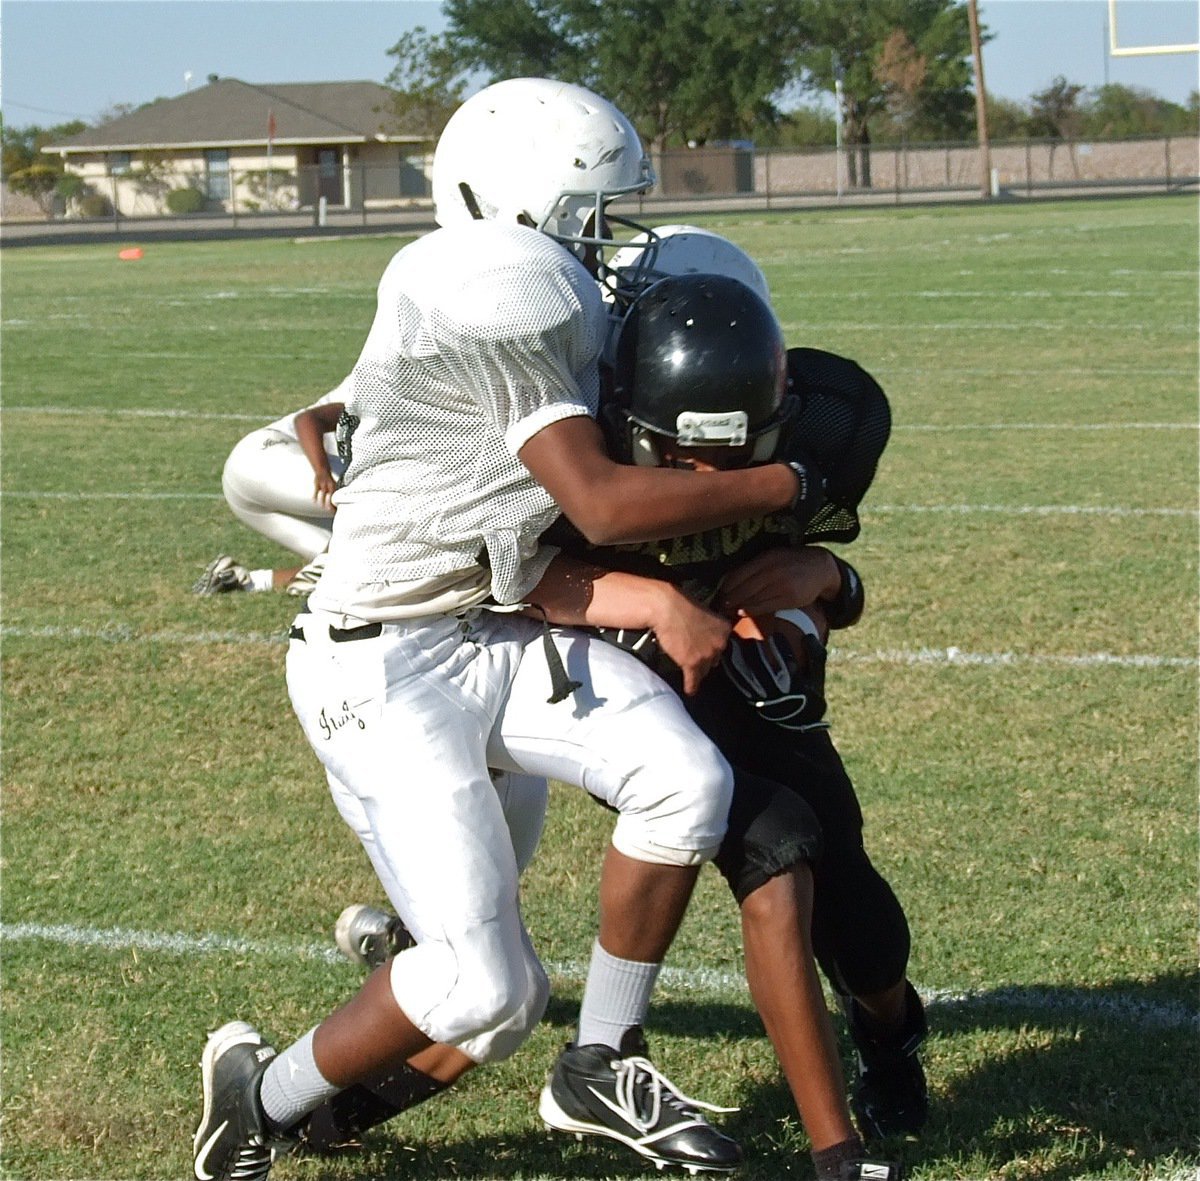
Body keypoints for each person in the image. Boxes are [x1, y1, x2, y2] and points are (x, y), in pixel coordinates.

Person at [192, 78, 827, 1181]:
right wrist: (782, 483)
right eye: (592, 210)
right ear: (514, 203)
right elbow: (600, 504)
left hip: (498, 623)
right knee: (490, 990)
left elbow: (518, 542)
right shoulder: (498, 281)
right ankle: (262, 1096)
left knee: (687, 782)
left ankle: (599, 1059)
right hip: (385, 663)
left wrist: (664, 599)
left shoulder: (538, 294)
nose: (609, 236)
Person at [301, 274, 919, 1179]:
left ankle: (892, 1035)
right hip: (631, 687)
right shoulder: (562, 431)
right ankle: (835, 1151)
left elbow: (825, 586)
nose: (710, 482)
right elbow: (516, 567)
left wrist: (825, 579)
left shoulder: (816, 430)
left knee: (859, 925)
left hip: (750, 691)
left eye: (736, 451)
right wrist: (660, 601)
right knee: (769, 849)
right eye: (682, 454)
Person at [191, 382, 346, 597]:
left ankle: (245, 581)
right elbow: (306, 421)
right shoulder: (387, 381)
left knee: (360, 564)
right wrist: (322, 472)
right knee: (386, 495)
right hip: (267, 458)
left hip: (252, 482)